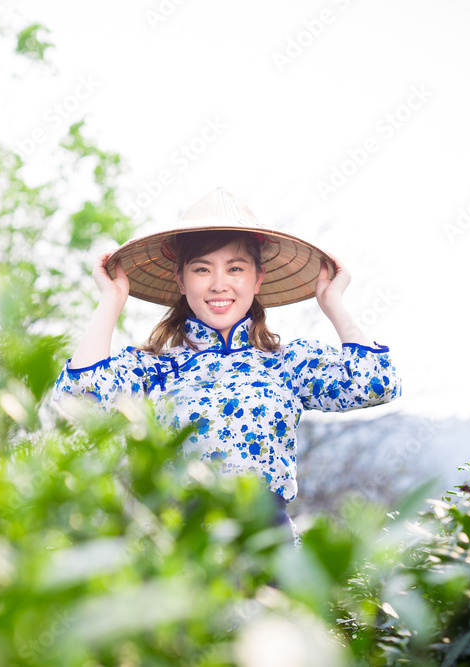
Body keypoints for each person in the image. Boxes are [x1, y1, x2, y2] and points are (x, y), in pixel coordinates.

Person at [52, 187, 402, 526]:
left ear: (258, 277)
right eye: (202, 269)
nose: (219, 284)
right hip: (181, 546)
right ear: (181, 279)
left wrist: (333, 303)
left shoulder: (286, 364)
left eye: (235, 269)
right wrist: (110, 301)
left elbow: (376, 383)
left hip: (267, 545)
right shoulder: (155, 367)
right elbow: (77, 403)